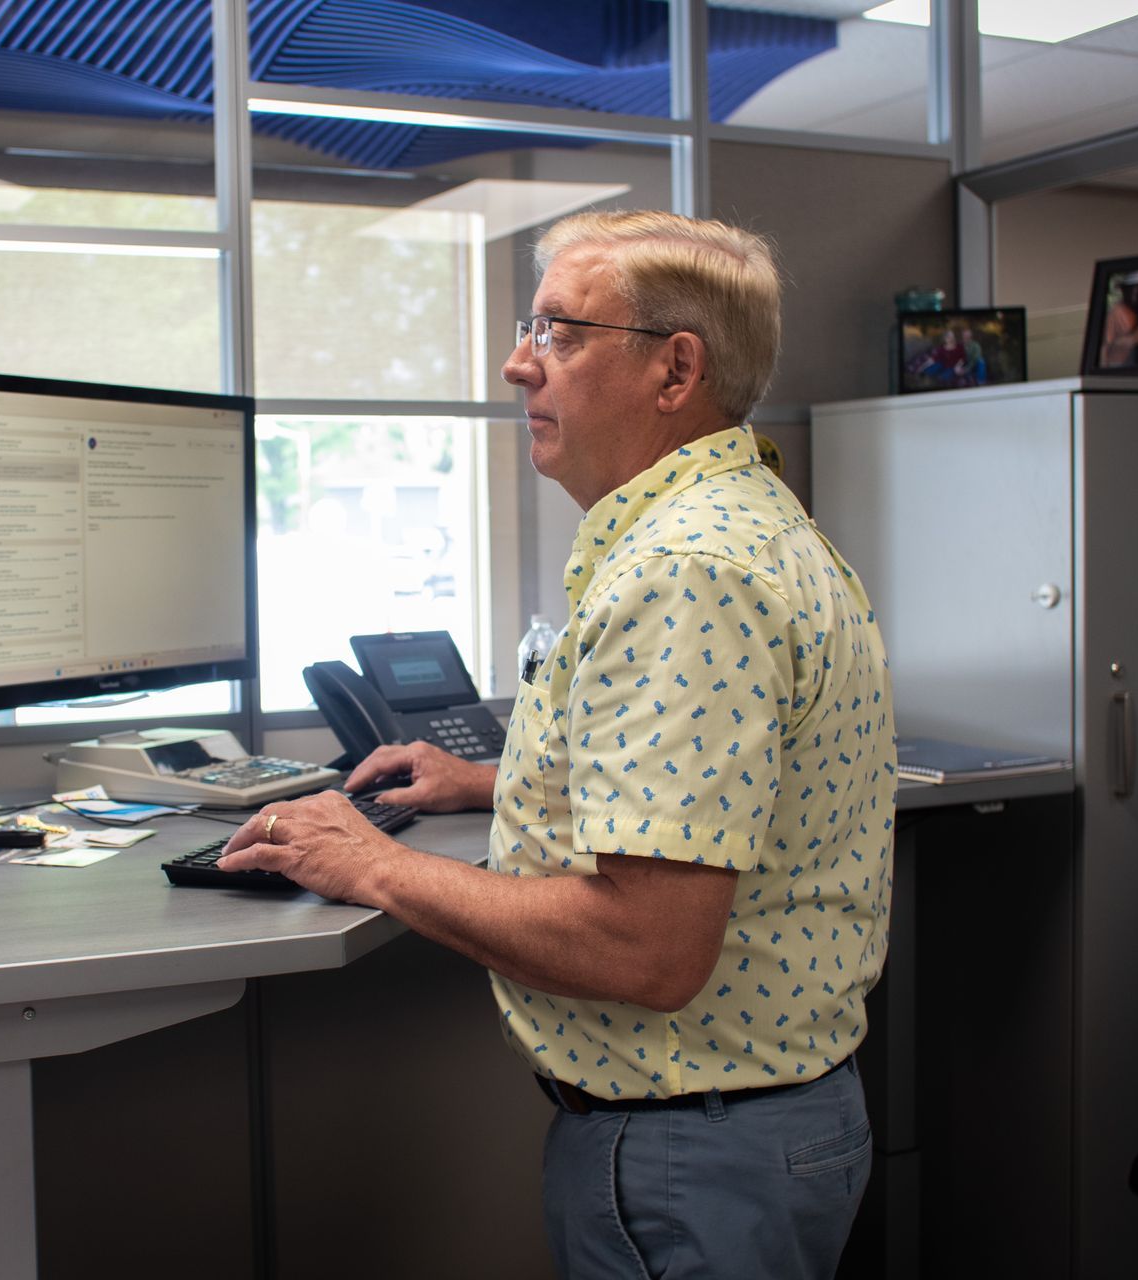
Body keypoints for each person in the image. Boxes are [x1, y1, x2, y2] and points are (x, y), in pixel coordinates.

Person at [219, 211, 896, 1278]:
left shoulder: (687, 571)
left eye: (560, 331)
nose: (515, 361)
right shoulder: (744, 520)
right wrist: (491, 781)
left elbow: (648, 947)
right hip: (745, 1133)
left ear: (676, 370)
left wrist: (372, 860)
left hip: (687, 1151)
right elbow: (719, 789)